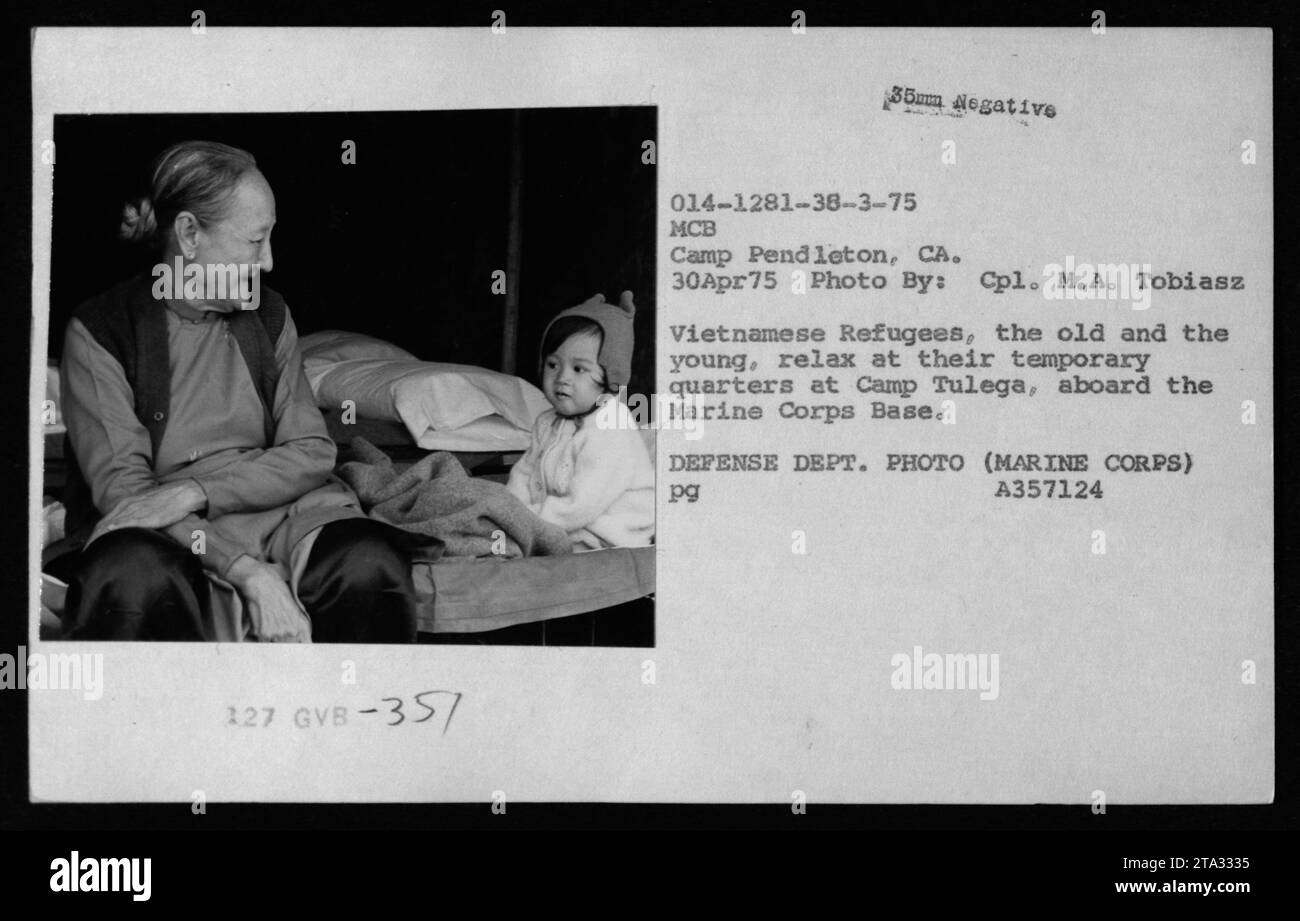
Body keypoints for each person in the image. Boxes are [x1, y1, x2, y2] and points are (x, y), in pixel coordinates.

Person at [58, 140, 417, 643]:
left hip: (285, 513)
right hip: (173, 531)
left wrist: (195, 490)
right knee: (135, 579)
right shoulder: (102, 332)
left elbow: (311, 452)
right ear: (189, 234)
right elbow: (130, 499)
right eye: (255, 241)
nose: (268, 262)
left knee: (368, 566)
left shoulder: (269, 316)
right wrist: (246, 571)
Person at [507, 292, 654, 550]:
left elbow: (584, 501)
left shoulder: (610, 427)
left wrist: (528, 523)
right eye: (553, 364)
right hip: (560, 520)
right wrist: (509, 513)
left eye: (579, 369)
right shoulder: (547, 422)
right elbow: (524, 472)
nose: (562, 377)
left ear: (611, 376)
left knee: (522, 554)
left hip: (610, 533)